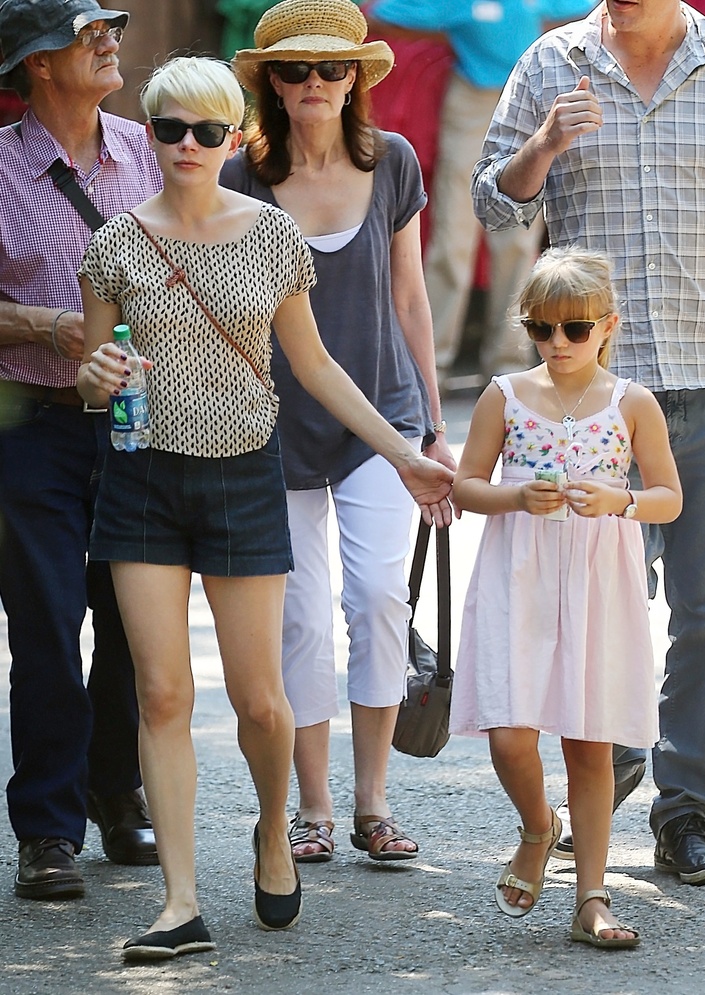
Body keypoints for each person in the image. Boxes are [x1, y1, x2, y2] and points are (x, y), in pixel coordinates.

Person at [76, 54, 453, 959]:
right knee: (162, 693)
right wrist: (97, 375)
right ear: (150, 134)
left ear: (232, 136)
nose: (189, 144)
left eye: (209, 129)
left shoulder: (271, 235)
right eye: (171, 128)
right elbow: (95, 379)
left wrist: (407, 450)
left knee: (262, 703)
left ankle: (277, 829)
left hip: (246, 474)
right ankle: (179, 902)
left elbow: (316, 365)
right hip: (142, 480)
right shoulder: (114, 244)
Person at [471, 0, 705, 885]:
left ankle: (686, 815)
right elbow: (490, 201)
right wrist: (544, 145)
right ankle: (608, 765)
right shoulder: (551, 63)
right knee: (592, 603)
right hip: (593, 397)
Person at [222, 0, 455, 865]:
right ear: (272, 85)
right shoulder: (241, 175)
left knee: (380, 599)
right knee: (302, 622)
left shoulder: (392, 160)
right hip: (274, 424)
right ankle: (313, 808)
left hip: (381, 418)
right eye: (296, 69)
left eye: (332, 67)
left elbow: (410, 297)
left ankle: (373, 802)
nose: (315, 82)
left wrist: (431, 427)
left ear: (355, 79)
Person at [450, 247, 682, 947]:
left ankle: (591, 896)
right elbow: (466, 485)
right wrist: (516, 495)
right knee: (510, 732)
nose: (557, 343)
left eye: (575, 329)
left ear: (607, 325)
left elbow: (669, 497)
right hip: (518, 574)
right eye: (541, 329)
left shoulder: (631, 402)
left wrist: (621, 500)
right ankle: (537, 826)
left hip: (597, 580)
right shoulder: (505, 395)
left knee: (589, 741)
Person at [0, 0, 160, 901]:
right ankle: (47, 828)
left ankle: (115, 787)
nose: (108, 40)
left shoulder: (148, 149)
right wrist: (47, 325)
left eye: (111, 26)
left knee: (134, 620)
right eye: (85, 31)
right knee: (49, 627)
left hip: (136, 420)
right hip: (33, 424)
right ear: (37, 63)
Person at [366, 0, 593, 383]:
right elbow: (379, 16)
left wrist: (538, 35)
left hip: (528, 101)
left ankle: (510, 365)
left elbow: (590, 10)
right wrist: (450, 32)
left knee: (519, 241)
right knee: (453, 238)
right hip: (473, 101)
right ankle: (429, 365)